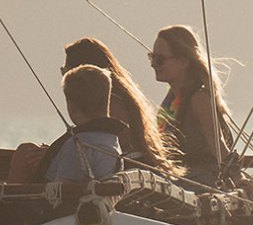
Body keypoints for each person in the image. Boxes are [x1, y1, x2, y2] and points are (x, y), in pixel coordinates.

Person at [60, 37, 175, 175]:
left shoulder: (111, 101)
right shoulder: (119, 95)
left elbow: (108, 146)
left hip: (129, 170)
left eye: (67, 72)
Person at [7, 65, 126, 183]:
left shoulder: (77, 147)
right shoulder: (111, 139)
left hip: (61, 199)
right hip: (96, 195)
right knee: (28, 149)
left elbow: (63, 191)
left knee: (23, 153)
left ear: (72, 108)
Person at [151, 24, 231, 187]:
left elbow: (217, 144)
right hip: (177, 175)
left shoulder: (198, 98)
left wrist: (236, 177)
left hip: (203, 179)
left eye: (160, 59)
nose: (153, 64)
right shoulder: (171, 101)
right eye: (151, 57)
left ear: (183, 62)